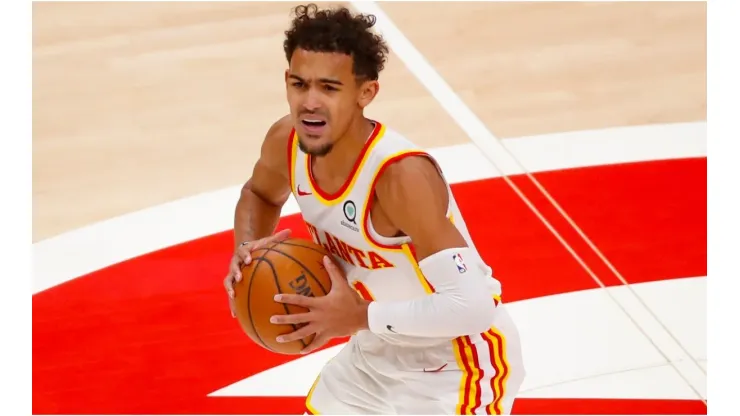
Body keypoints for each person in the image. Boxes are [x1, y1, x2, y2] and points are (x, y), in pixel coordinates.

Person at [223, 4, 525, 414]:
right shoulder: (285, 141)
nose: (309, 102)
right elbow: (259, 195)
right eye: (299, 84)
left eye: (329, 88)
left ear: (366, 93)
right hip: (377, 347)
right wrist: (248, 249)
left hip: (456, 362)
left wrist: (359, 316)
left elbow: (472, 307)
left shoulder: (400, 178)